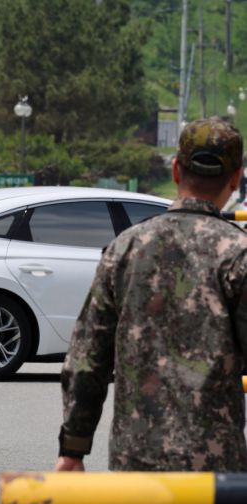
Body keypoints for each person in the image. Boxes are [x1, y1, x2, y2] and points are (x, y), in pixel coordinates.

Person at [56, 117, 247, 472]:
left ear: (176, 169)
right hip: (216, 470)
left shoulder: (125, 248)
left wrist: (73, 448)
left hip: (137, 462)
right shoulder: (237, 253)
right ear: (235, 179)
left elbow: (87, 360)